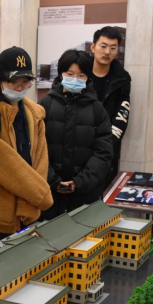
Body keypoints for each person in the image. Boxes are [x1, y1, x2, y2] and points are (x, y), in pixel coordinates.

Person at [0, 47, 52, 250]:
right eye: (14, 83)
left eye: (25, 83)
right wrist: (40, 195)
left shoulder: (35, 112)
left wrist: (29, 204)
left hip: (27, 209)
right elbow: (2, 164)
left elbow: (41, 158)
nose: (20, 88)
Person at [39, 50, 113, 220]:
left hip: (85, 196)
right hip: (48, 194)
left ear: (88, 77)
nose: (75, 79)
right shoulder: (44, 106)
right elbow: (35, 149)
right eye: (70, 74)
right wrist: (52, 180)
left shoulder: (97, 110)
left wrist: (79, 182)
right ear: (61, 74)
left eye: (81, 75)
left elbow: (103, 153)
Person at [89, 27, 132, 187]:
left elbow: (122, 116)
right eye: (103, 46)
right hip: (78, 146)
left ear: (117, 51)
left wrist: (105, 147)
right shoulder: (80, 73)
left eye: (113, 48)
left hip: (107, 151)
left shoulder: (122, 79)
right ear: (93, 47)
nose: (107, 52)